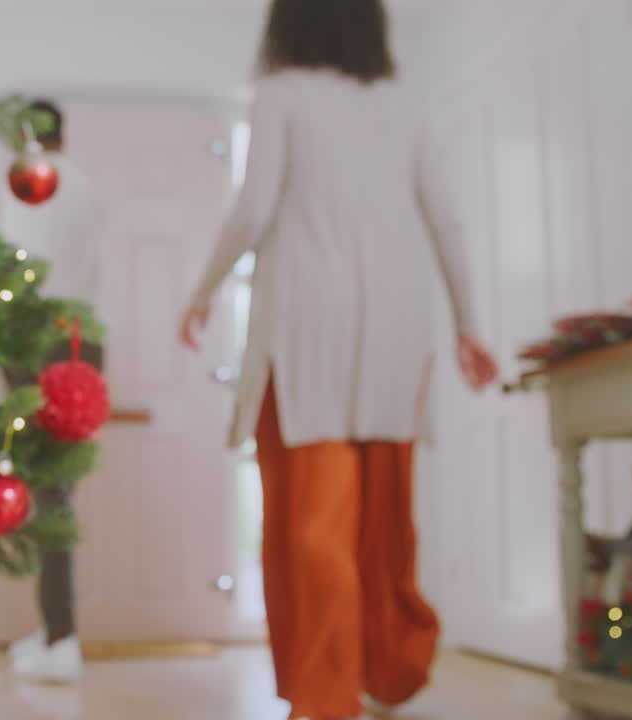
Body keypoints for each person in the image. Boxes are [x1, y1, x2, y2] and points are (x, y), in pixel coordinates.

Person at [178, 2, 499, 718]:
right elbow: (443, 215)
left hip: (307, 326)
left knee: (313, 521)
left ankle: (325, 693)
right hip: (397, 322)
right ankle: (390, 670)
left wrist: (200, 291)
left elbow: (256, 204)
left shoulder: (283, 94)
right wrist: (470, 326)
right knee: (387, 514)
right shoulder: (402, 107)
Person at [0, 98, 106, 685]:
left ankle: (62, 637)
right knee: (54, 490)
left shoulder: (27, 188)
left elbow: (20, 269)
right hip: (82, 340)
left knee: (49, 494)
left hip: (38, 337)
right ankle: (55, 629)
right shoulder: (88, 188)